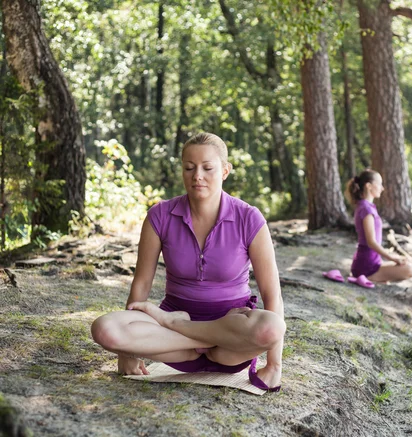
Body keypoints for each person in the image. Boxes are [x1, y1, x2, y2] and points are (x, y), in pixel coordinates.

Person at [91, 132, 285, 391]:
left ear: (225, 171)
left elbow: (272, 295)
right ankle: (187, 331)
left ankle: (179, 325)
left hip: (230, 341)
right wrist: (127, 353)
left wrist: (274, 366)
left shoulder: (249, 218)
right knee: (105, 329)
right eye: (189, 168)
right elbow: (142, 283)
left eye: (208, 168)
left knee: (272, 328)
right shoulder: (160, 216)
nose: (197, 176)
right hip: (175, 346)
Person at [345, 169, 412, 285]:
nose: (382, 188)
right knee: (410, 269)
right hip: (366, 266)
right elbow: (371, 242)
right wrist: (393, 258)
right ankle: (369, 278)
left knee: (408, 263)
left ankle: (375, 277)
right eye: (379, 184)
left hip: (373, 263)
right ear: (369, 186)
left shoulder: (367, 206)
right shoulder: (366, 209)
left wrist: (395, 258)